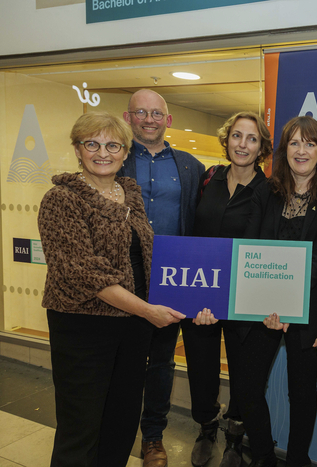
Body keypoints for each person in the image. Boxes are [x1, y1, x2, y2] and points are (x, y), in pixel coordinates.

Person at [38, 111, 185, 467]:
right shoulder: (61, 199)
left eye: (112, 145)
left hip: (132, 328)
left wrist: (183, 297)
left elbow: (146, 258)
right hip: (84, 327)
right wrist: (149, 311)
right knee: (81, 427)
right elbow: (87, 274)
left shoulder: (130, 194)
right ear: (78, 149)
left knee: (121, 421)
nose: (102, 152)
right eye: (92, 144)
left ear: (124, 152)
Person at [198, 116, 317, 467]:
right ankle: (263, 457)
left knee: (302, 393)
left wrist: (286, 304)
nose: (301, 150)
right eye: (294, 143)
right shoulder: (267, 190)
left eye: (310, 143)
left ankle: (296, 460)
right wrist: (268, 301)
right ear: (284, 150)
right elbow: (251, 245)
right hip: (261, 307)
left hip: (307, 307)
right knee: (247, 389)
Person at [180, 111, 272, 467]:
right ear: (227, 139)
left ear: (261, 146)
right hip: (201, 291)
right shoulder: (209, 179)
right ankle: (206, 426)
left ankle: (236, 431)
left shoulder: (268, 191)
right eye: (237, 136)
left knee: (242, 370)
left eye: (251, 139)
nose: (243, 145)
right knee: (201, 365)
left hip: (245, 295)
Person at [120, 89, 205, 467]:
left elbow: (202, 224)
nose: (149, 119)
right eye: (141, 112)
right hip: (123, 277)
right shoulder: (115, 160)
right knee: (122, 358)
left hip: (172, 278)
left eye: (156, 113)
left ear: (168, 120)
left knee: (161, 364)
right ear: (129, 117)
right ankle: (117, 430)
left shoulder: (191, 167)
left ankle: (152, 437)